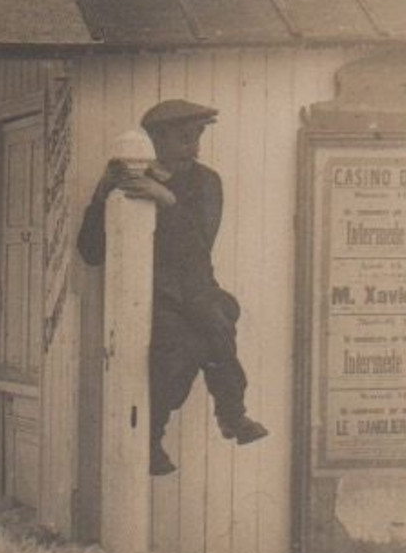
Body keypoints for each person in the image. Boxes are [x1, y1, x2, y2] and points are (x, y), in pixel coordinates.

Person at [77, 98, 268, 477]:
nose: (194, 147)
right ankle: (154, 439)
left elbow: (200, 247)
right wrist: (101, 196)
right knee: (178, 352)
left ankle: (231, 413)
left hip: (198, 289)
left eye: (196, 137)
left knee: (217, 316)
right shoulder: (126, 183)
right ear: (154, 140)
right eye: (183, 138)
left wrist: (167, 201)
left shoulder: (206, 182)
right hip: (154, 296)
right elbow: (91, 252)